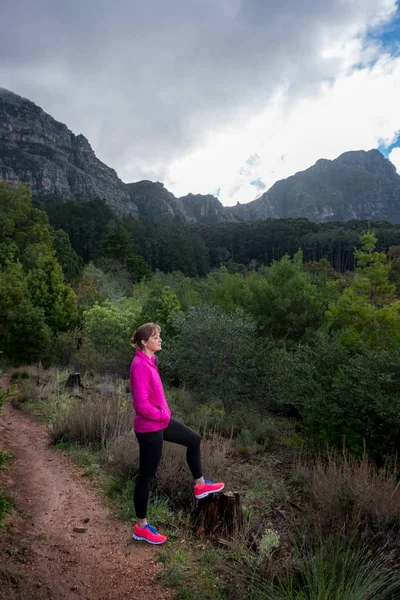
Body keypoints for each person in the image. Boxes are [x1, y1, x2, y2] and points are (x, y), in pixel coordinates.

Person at [130, 322, 224, 545]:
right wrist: (162, 415)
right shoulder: (139, 366)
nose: (160, 340)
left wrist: (163, 415)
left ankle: (200, 485)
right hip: (150, 427)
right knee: (146, 476)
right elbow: (140, 405)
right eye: (155, 337)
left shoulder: (151, 361)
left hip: (159, 421)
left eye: (159, 336)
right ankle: (141, 527)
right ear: (144, 342)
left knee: (194, 440)